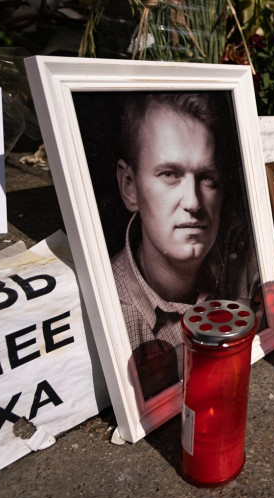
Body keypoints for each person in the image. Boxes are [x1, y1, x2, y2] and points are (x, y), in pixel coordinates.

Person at [111, 92, 260, 400]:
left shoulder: (242, 260)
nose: (193, 202)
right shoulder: (110, 313)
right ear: (130, 187)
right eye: (169, 174)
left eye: (207, 178)